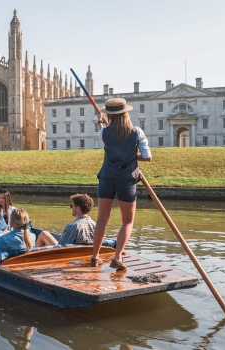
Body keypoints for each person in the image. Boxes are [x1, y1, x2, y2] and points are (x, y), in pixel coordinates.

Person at [90, 98, 151, 270]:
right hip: (126, 179)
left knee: (102, 219)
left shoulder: (103, 133)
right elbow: (147, 157)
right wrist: (132, 157)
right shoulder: (136, 132)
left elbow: (108, 138)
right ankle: (117, 258)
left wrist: (101, 123)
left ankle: (95, 257)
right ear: (126, 113)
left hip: (107, 177)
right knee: (127, 221)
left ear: (109, 114)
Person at [35, 194, 115, 247]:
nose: (71, 208)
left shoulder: (72, 226)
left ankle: (33, 257)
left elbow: (61, 247)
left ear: (78, 208)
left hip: (67, 255)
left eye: (71, 206)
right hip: (85, 254)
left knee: (44, 234)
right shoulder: (96, 225)